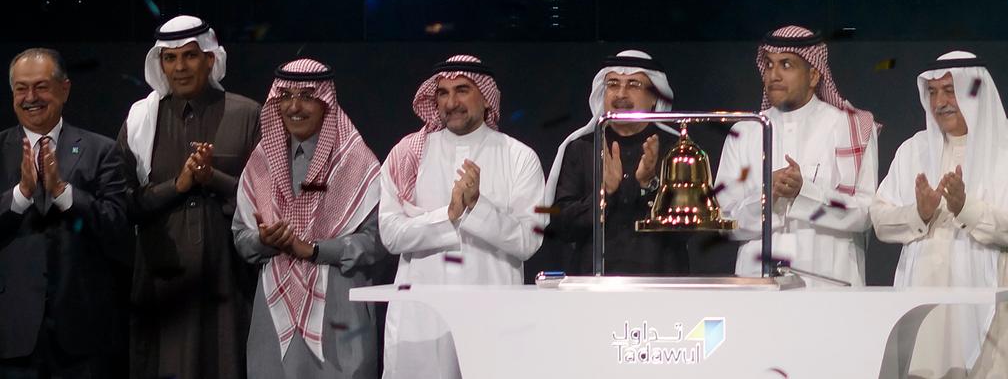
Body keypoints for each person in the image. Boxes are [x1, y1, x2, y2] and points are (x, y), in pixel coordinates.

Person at [870, 52, 1008, 378]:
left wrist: (965, 208)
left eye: (950, 90)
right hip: (926, 315)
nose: (940, 102)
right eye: (932, 92)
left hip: (995, 323)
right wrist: (920, 213)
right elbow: (880, 219)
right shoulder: (913, 150)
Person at [378, 55, 545, 379]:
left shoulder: (519, 157)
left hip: (493, 317)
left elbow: (529, 241)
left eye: (462, 90)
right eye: (443, 92)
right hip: (422, 321)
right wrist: (449, 215)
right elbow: (391, 234)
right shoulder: (407, 154)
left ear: (487, 98)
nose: (451, 102)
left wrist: (477, 207)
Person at [119, 15, 260, 379]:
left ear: (210, 59)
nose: (179, 67)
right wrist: (177, 186)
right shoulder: (141, 121)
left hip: (228, 279)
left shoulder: (247, 115)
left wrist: (213, 178)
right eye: (170, 58)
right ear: (160, 64)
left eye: (190, 56)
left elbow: (266, 202)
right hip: (161, 282)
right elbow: (123, 205)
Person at [233, 59, 385, 378]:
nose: (294, 107)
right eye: (285, 96)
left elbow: (377, 241)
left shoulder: (356, 162)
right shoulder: (262, 162)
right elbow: (240, 236)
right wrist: (264, 241)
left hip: (340, 311)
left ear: (325, 102)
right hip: (273, 316)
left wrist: (315, 250)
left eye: (306, 96)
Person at [0, 48, 130, 378]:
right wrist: (20, 195)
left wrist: (63, 192)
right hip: (11, 333)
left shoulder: (102, 151)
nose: (31, 98)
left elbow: (119, 230)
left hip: (83, 333)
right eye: (21, 88)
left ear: (65, 89)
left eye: (41, 86)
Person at [716, 25, 878, 286]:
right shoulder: (744, 132)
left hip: (830, 286)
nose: (773, 75)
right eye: (769, 65)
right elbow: (723, 222)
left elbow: (867, 214)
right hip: (758, 288)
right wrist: (767, 195)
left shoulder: (852, 127)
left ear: (813, 75)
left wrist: (804, 192)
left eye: (786, 65)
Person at [546, 50, 687, 274]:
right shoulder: (581, 148)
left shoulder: (678, 149)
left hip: (661, 283)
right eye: (612, 84)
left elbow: (689, 230)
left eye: (633, 84)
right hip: (592, 283)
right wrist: (603, 194)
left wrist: (650, 185)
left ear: (655, 97)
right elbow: (562, 227)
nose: (621, 93)